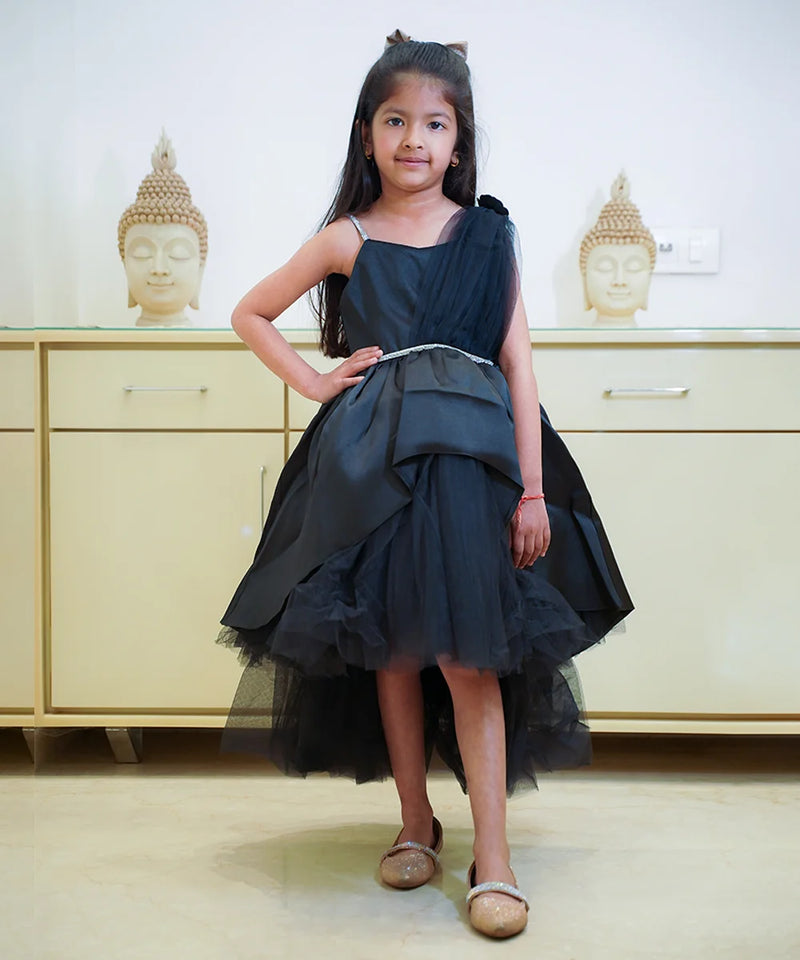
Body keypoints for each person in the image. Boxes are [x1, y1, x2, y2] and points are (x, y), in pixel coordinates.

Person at [217, 30, 633, 940]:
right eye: (396, 120)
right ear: (368, 134)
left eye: (434, 123)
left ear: (459, 137)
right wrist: (318, 380)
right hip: (372, 468)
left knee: (469, 655)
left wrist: (531, 490)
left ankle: (496, 859)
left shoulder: (488, 236)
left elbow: (520, 368)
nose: (415, 139)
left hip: (475, 469)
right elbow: (250, 311)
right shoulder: (348, 236)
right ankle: (414, 823)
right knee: (395, 651)